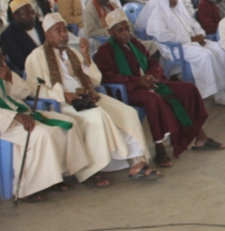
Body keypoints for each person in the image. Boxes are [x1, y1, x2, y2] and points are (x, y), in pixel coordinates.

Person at [26, 14, 160, 185]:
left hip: (88, 96)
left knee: (128, 113)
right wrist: (62, 95)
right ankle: (90, 171)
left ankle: (136, 162)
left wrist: (86, 57)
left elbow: (95, 81)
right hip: (61, 104)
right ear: (47, 35)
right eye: (57, 31)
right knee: (97, 116)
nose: (63, 34)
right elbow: (34, 89)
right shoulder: (36, 57)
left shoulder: (72, 53)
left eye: (65, 30)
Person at [0, 36, 90, 202]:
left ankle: (55, 176)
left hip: (16, 112)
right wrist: (14, 116)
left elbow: (24, 91)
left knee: (68, 124)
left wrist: (10, 78)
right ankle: (27, 188)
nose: (2, 59)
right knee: (41, 135)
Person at [94, 9, 220, 165]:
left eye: (127, 28)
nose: (126, 33)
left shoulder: (134, 43)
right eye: (120, 30)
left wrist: (152, 76)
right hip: (128, 90)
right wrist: (137, 81)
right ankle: (159, 148)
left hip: (149, 83)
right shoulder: (105, 51)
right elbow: (107, 76)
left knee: (188, 89)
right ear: (111, 32)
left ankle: (200, 137)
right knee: (154, 100)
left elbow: (151, 62)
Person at [139, 0, 225, 105]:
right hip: (177, 48)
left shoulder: (179, 10)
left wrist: (200, 35)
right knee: (205, 56)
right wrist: (189, 39)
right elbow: (164, 36)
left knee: (220, 49)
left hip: (192, 43)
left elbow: (195, 25)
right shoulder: (158, 15)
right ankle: (216, 94)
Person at [0, 0, 45, 73]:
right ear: (15, 16)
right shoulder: (8, 36)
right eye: (26, 14)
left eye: (32, 12)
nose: (31, 16)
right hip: (33, 71)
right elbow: (21, 62)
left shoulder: (42, 26)